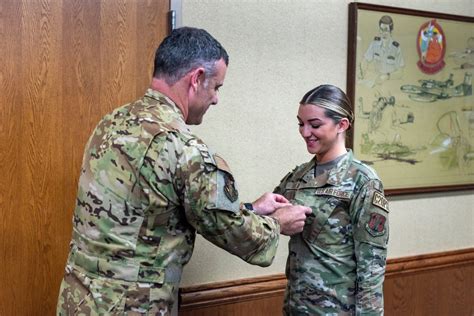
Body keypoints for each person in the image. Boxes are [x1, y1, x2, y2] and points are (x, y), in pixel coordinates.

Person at [56, 27, 311, 315]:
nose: (216, 99)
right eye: (216, 87)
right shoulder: (183, 148)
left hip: (78, 297)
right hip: (130, 305)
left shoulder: (112, 122)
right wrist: (278, 224)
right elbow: (233, 232)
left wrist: (252, 207)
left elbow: (156, 209)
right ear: (197, 78)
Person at [274, 84, 389, 315]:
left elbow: (372, 268)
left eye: (315, 125)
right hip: (296, 308)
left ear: (341, 124)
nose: (305, 132)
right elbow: (266, 218)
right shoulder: (297, 177)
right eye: (301, 124)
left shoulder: (363, 181)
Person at [359, 15, 404, 86]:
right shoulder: (375, 44)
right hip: (377, 81)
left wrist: (387, 76)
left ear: (391, 32)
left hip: (391, 82)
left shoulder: (396, 48)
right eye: (381, 29)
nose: (383, 33)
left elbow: (400, 72)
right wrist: (362, 72)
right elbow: (365, 60)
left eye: (386, 30)